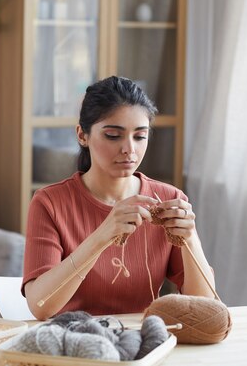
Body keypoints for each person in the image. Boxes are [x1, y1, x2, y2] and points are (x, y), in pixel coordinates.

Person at [22, 76, 216, 320]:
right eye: (113, 136)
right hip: (74, 344)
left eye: (140, 136)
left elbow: (204, 309)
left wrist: (190, 240)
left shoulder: (168, 198)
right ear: (82, 135)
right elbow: (40, 306)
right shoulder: (50, 203)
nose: (129, 149)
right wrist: (103, 235)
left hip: (141, 345)